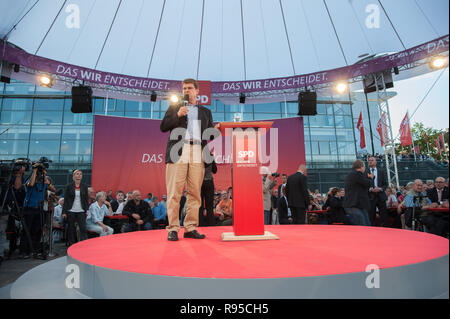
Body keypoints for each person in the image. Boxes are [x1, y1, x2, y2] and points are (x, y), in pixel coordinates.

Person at [160, 78, 217, 241]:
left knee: (194, 192)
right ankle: (172, 228)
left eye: (190, 88)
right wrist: (177, 115)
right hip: (179, 149)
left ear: (197, 91)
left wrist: (216, 130)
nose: (187, 90)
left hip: (198, 150)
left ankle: (190, 227)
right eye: (184, 88)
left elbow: (209, 134)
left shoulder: (206, 112)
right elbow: (163, 127)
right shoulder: (175, 107)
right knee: (174, 192)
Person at [19, 164, 49, 258]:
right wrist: (35, 171)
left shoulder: (43, 183)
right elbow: (31, 184)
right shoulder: (30, 180)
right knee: (26, 230)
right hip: (29, 208)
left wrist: (44, 173)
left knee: (37, 230)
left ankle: (33, 250)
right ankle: (24, 251)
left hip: (39, 209)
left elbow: (48, 183)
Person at [62, 169, 89, 247]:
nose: (79, 175)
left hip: (81, 210)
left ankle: (85, 244)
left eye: (80, 174)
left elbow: (86, 199)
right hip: (71, 210)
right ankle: (72, 245)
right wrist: (64, 212)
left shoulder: (84, 186)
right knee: (71, 229)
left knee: (83, 228)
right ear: (73, 176)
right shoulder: (69, 186)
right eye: (77, 174)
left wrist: (86, 209)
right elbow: (66, 200)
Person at [343, 159, 373, 226]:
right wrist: (371, 178)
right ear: (361, 167)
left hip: (357, 205)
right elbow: (367, 183)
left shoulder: (353, 174)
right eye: (364, 167)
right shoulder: (356, 174)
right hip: (353, 205)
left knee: (366, 224)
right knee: (363, 225)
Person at [366, 156, 389, 227]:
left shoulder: (381, 171)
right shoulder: (365, 171)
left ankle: (385, 229)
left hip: (381, 196)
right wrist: (370, 189)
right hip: (370, 196)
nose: (370, 161)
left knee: (384, 215)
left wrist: (381, 189)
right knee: (371, 215)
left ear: (376, 162)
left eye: (372, 160)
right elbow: (363, 184)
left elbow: (385, 184)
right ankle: (372, 229)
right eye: (369, 160)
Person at [199, 153, 217, 226]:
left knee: (200, 205)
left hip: (200, 182)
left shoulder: (197, 156)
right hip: (209, 182)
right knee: (209, 206)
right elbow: (215, 170)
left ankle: (200, 224)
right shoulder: (210, 156)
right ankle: (211, 224)